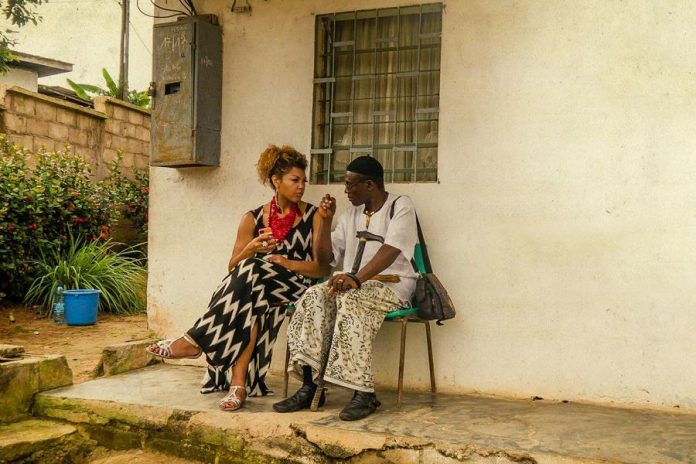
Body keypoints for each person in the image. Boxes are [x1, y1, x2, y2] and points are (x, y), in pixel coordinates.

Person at [146, 145, 333, 411]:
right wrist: (251, 249)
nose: (301, 186)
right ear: (276, 181)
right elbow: (233, 265)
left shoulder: (314, 216)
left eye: (304, 180)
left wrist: (286, 261)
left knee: (251, 273)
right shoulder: (252, 218)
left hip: (295, 285)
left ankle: (195, 340)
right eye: (295, 180)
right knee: (251, 289)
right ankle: (238, 385)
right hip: (257, 288)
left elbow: (322, 268)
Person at [273, 156, 419, 421]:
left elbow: (391, 249)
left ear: (370, 185)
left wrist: (357, 278)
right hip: (354, 286)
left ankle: (363, 394)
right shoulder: (351, 214)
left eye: (351, 185)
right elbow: (326, 259)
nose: (346, 191)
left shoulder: (400, 206)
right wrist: (324, 222)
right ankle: (311, 384)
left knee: (353, 300)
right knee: (313, 296)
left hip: (393, 287)